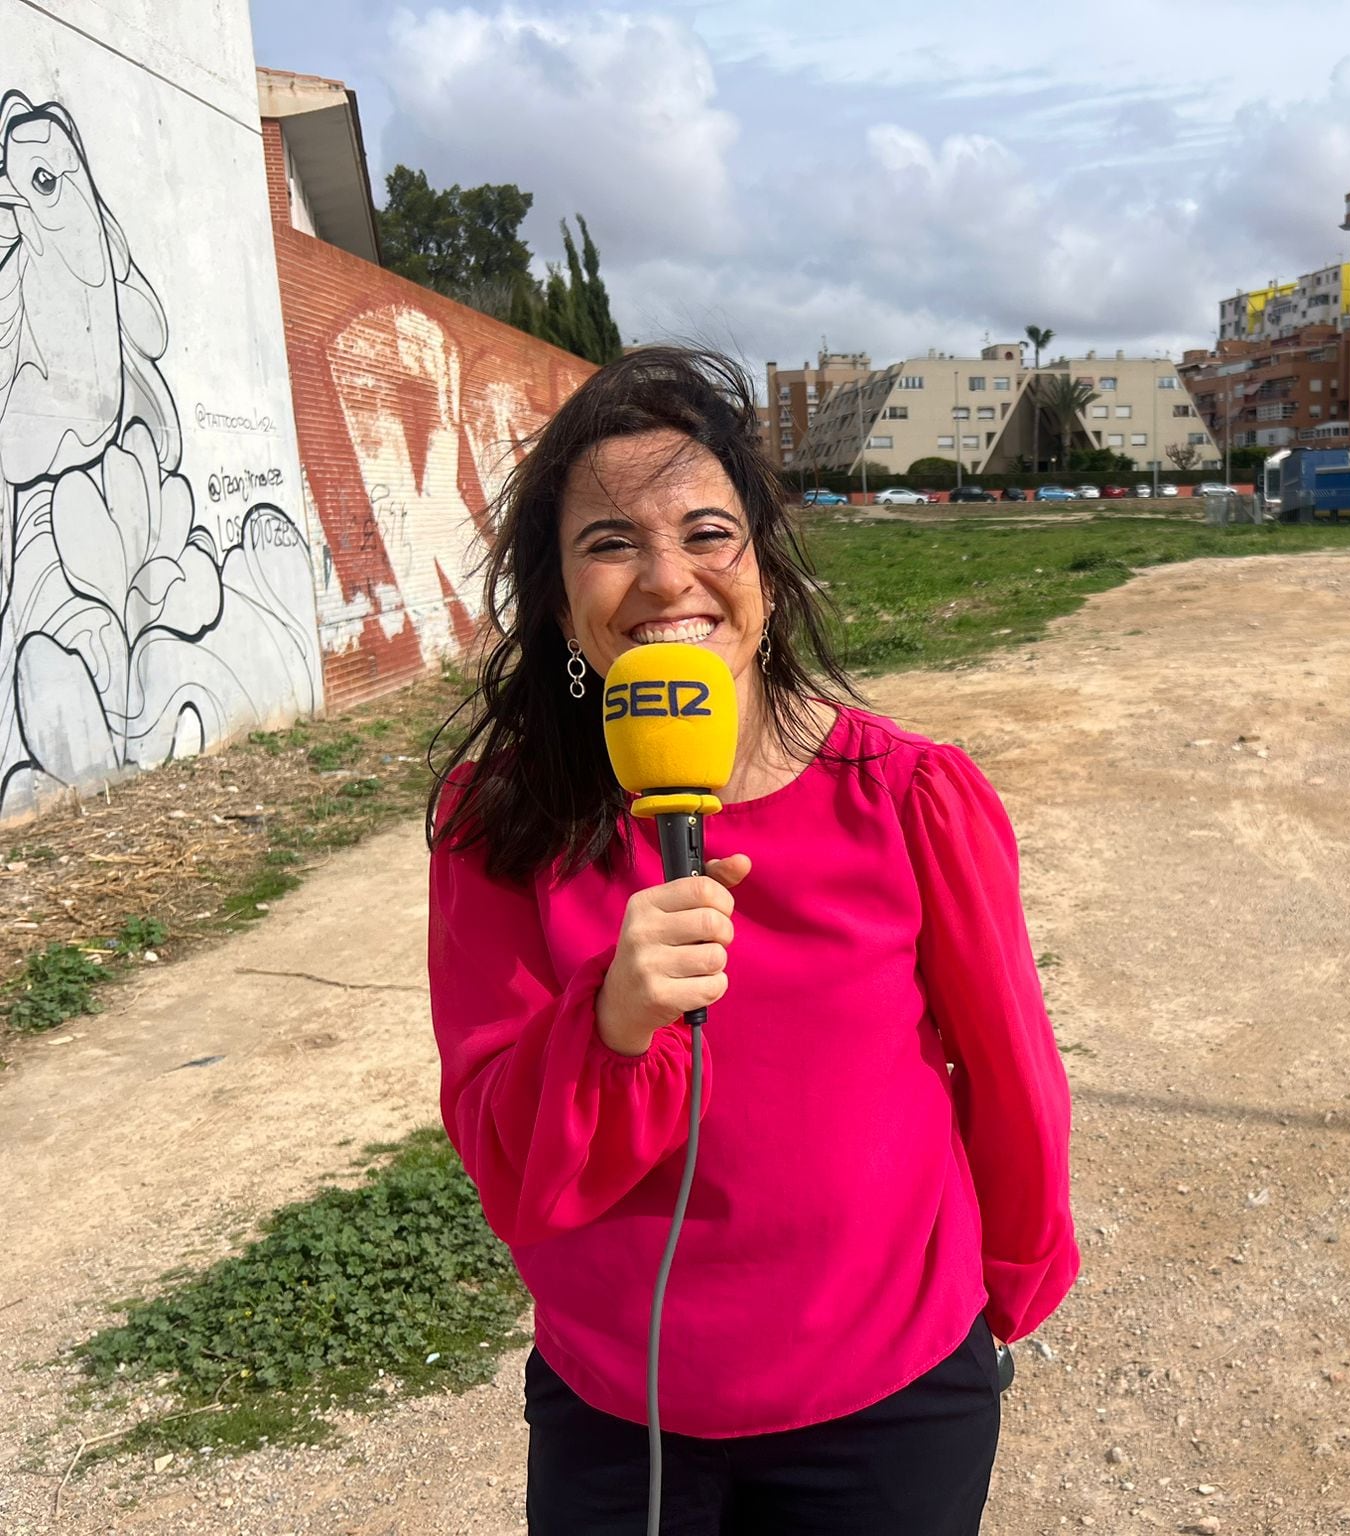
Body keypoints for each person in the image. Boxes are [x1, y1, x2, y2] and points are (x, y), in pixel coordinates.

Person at [425, 346, 1080, 1534]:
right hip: (621, 1419)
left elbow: (1010, 1073)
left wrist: (1010, 1290)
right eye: (610, 542)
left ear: (765, 570)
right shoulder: (499, 825)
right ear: (562, 602)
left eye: (708, 533)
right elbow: (506, 1163)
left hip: (890, 1401)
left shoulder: (906, 793)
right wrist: (609, 1026)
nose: (666, 579)